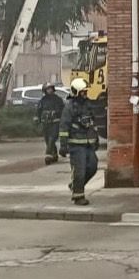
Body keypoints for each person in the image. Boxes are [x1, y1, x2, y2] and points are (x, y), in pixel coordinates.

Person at [58, 78, 101, 206]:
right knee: (79, 170)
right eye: (82, 92)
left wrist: (96, 139)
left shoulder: (88, 105)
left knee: (93, 166)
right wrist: (63, 145)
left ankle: (75, 185)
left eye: (85, 91)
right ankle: (78, 196)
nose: (85, 94)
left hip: (88, 144)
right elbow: (64, 127)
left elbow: (92, 124)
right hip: (76, 144)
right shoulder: (70, 107)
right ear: (76, 92)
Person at [35, 83, 66, 164]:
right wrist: (37, 118)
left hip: (55, 122)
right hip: (45, 123)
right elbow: (39, 110)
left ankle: (48, 155)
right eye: (48, 89)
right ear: (45, 90)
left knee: (52, 139)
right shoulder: (43, 100)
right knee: (47, 140)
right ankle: (54, 155)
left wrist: (55, 113)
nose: (50, 90)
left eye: (51, 88)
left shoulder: (58, 99)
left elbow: (62, 110)